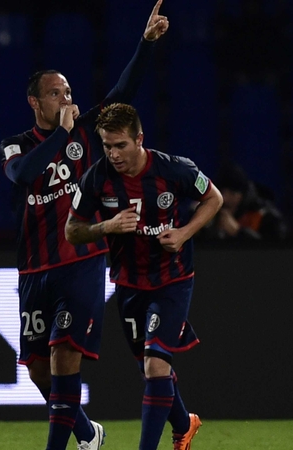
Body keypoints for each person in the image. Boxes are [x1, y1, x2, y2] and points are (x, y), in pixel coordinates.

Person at [0, 2, 169, 449]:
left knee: (62, 356)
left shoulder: (87, 130)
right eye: (56, 93)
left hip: (83, 259)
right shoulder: (15, 145)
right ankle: (88, 432)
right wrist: (59, 136)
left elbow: (124, 89)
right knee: (36, 369)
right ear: (35, 102)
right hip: (34, 268)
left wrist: (145, 44)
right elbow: (23, 175)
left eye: (69, 91)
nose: (67, 99)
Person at [65, 103, 223, 450]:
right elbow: (71, 231)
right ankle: (184, 424)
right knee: (152, 370)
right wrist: (106, 226)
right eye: (107, 145)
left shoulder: (173, 169)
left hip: (172, 279)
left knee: (155, 366)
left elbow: (213, 198)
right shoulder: (97, 177)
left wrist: (183, 233)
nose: (113, 154)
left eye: (120, 145)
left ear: (139, 139)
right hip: (128, 283)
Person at [197, 162, 287, 240]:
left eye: (232, 193)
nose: (225, 198)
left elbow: (274, 254)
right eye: (221, 193)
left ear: (243, 194)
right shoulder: (212, 214)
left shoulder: (265, 216)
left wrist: (238, 232)